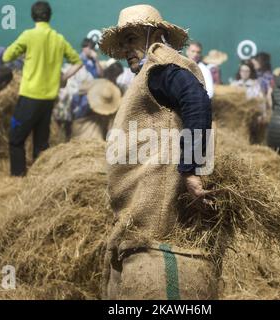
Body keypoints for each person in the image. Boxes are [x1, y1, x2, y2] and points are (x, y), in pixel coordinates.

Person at [99, 4, 213, 299]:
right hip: (142, 203)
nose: (126, 49)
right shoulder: (151, 73)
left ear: (156, 35)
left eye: (133, 38)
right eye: (123, 42)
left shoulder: (161, 69)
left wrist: (190, 170)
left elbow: (197, 102)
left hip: (156, 208)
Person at [3, 1, 83, 176]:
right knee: (41, 143)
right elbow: (78, 62)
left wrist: (25, 53)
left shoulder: (28, 35)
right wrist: (63, 77)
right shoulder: (58, 38)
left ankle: (18, 176)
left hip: (30, 96)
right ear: (49, 16)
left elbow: (7, 56)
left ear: (33, 16)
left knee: (16, 139)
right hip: (49, 99)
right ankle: (39, 178)